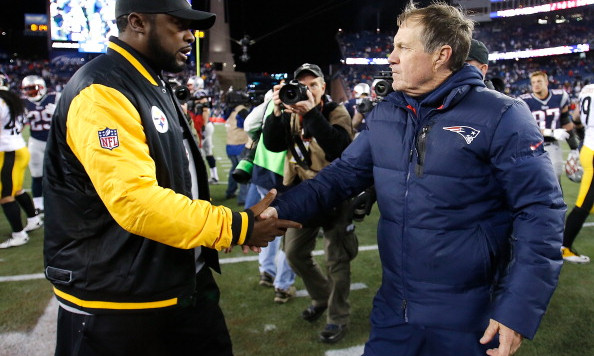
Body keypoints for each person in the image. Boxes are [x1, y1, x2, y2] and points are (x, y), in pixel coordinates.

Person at [261, 3, 565, 355]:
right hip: (395, 306)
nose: (391, 58)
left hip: (470, 313)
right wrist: (275, 210)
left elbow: (541, 212)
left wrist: (518, 308)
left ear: (441, 55)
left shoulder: (502, 115)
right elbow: (339, 178)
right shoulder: (389, 111)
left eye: (403, 47)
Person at [42, 1, 300, 355]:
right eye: (178, 24)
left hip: (173, 279)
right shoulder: (101, 89)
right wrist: (234, 226)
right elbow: (135, 201)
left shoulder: (150, 80)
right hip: (121, 300)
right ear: (137, 22)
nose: (190, 36)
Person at [262, 63, 359, 343]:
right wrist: (277, 109)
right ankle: (321, 297)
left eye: (313, 85)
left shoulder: (335, 111)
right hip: (303, 193)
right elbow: (273, 145)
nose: (308, 90)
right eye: (302, 85)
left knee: (336, 259)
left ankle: (337, 317)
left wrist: (311, 113)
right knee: (293, 253)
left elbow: (338, 147)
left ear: (323, 87)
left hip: (335, 193)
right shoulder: (290, 113)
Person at [242, 89, 297, 303]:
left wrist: (269, 101)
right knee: (289, 231)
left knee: (267, 222)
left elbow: (249, 126)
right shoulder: (301, 103)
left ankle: (267, 271)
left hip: (264, 173)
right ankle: (282, 285)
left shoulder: (270, 101)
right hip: (288, 176)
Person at [0, 73, 44, 249]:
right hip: (18, 147)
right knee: (17, 190)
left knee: (5, 195)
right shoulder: (11, 99)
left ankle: (19, 234)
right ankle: (33, 219)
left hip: (7, 151)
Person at [519, 71, 580, 185]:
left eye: (539, 81)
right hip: (531, 147)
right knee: (534, 182)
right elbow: (523, 127)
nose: (536, 84)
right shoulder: (524, 101)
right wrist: (550, 132)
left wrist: (573, 148)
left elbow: (565, 122)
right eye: (533, 82)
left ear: (546, 82)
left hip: (553, 145)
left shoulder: (560, 96)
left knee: (555, 181)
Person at [561, 83, 593, 264]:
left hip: (588, 147)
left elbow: (576, 117)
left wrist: (582, 133)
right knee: (583, 204)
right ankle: (565, 247)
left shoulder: (587, 88)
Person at [21, 75, 60, 214]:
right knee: (37, 174)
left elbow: (70, 117)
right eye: (27, 90)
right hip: (35, 142)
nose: (29, 93)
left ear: (42, 87)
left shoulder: (55, 97)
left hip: (55, 142)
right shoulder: (23, 102)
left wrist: (58, 112)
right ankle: (38, 204)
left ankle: (59, 202)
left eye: (33, 89)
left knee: (59, 174)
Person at [187, 75, 219, 184]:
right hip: (204, 126)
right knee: (208, 152)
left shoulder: (199, 94)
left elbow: (205, 110)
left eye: (190, 84)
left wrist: (203, 127)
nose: (189, 86)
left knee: (198, 153)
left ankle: (199, 178)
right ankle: (214, 176)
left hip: (202, 126)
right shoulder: (197, 94)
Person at [224, 96, 250, 204]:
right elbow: (249, 125)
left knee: (234, 169)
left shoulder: (231, 110)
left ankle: (230, 191)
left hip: (230, 145)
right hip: (239, 145)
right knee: (243, 172)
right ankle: (243, 199)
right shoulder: (242, 111)